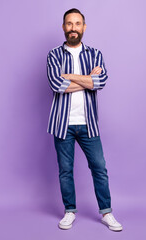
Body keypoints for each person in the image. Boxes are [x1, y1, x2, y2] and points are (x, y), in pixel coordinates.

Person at [46, 8, 123, 232]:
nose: (73, 28)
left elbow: (101, 82)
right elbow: (56, 85)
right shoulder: (53, 55)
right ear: (63, 27)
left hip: (89, 123)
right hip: (63, 123)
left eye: (77, 24)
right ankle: (69, 211)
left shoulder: (95, 54)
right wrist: (89, 78)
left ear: (84, 27)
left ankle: (107, 212)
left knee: (99, 168)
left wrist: (69, 76)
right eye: (69, 24)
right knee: (65, 170)